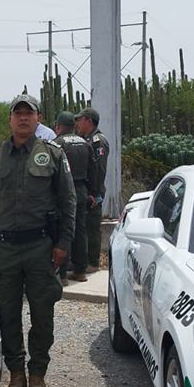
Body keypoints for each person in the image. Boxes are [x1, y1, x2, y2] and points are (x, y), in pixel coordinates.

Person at [0, 94, 76, 387]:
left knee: (43, 313)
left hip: (41, 246)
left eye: (28, 113)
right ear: (10, 119)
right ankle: (16, 375)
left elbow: (68, 202)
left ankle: (38, 374)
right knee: (8, 314)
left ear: (38, 118)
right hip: (5, 248)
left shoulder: (52, 154)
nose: (23, 118)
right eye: (17, 113)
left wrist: (63, 243)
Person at [52, 112, 95, 285]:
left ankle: (62, 274)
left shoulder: (57, 144)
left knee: (64, 230)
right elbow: (93, 170)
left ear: (58, 126)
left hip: (63, 192)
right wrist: (93, 191)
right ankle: (80, 270)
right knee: (80, 230)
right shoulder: (85, 143)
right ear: (74, 125)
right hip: (82, 189)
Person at [75, 107, 110, 272]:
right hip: (87, 191)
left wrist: (95, 193)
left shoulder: (98, 141)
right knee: (84, 226)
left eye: (80, 119)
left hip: (93, 192)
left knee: (92, 227)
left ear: (88, 120)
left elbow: (99, 168)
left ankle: (92, 262)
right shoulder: (85, 140)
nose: (77, 123)